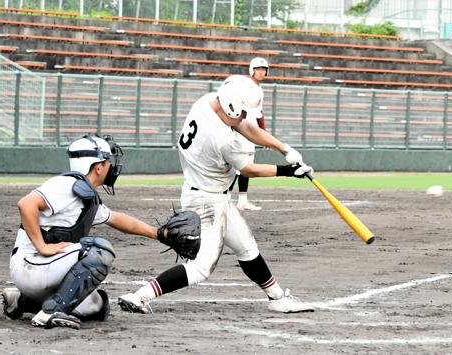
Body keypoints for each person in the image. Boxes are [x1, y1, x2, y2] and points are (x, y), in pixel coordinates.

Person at [118, 74, 315, 314]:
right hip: (206, 201)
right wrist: (288, 171)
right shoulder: (221, 138)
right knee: (201, 267)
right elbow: (248, 169)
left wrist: (284, 148)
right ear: (231, 106)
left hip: (212, 195)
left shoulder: (208, 101)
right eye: (241, 111)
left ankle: (277, 298)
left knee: (246, 247)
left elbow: (246, 126)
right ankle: (140, 296)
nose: (244, 117)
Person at [1, 134, 162, 330]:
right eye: (107, 161)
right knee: (99, 251)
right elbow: (26, 204)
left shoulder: (85, 195)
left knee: (98, 305)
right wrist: (42, 246)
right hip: (30, 266)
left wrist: (159, 234)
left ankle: (22, 301)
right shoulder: (66, 185)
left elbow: (116, 218)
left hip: (44, 271)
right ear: (98, 166)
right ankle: (50, 313)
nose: (111, 166)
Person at [234, 57, 269, 211]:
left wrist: (264, 134)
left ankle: (242, 200)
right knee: (235, 165)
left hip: (251, 131)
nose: (261, 72)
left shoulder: (259, 90)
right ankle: (225, 199)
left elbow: (259, 113)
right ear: (252, 70)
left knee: (247, 165)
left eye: (264, 70)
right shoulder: (244, 86)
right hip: (241, 129)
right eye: (258, 69)